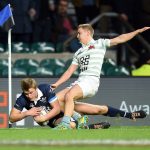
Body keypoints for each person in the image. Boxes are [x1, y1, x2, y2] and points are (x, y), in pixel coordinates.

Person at [51, 24, 150, 129]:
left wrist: (136, 31)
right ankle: (78, 117)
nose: (77, 36)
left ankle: (65, 125)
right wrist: (56, 84)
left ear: (88, 33)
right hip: (80, 81)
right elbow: (69, 71)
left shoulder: (99, 43)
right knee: (55, 99)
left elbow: (120, 39)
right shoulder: (78, 52)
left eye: (79, 33)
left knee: (69, 95)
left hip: (90, 81)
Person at [9, 78, 110, 129]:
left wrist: (43, 118)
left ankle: (78, 117)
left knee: (58, 100)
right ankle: (91, 127)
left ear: (35, 88)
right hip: (53, 120)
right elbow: (12, 118)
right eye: (26, 94)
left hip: (62, 110)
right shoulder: (22, 99)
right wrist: (27, 113)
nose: (29, 96)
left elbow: (57, 109)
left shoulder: (45, 88)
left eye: (31, 93)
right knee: (71, 126)